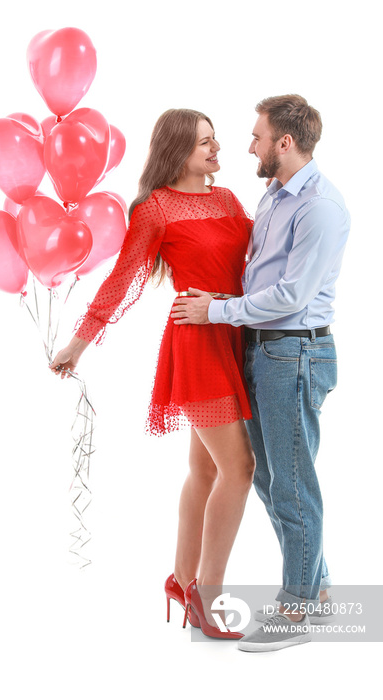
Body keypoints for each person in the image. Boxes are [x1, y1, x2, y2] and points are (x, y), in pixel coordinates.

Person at [50, 109, 256, 639]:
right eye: (203, 143)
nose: (215, 150)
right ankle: (206, 595)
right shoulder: (156, 208)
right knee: (241, 468)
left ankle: (180, 579)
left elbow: (255, 264)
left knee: (208, 470)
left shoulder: (228, 199)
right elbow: (124, 279)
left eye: (215, 140)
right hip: (198, 343)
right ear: (177, 150)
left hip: (235, 332)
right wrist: (79, 341)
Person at [171, 94, 350, 652]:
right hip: (262, 351)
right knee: (271, 480)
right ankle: (315, 589)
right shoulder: (274, 194)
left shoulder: (320, 205)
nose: (247, 144)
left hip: (294, 354)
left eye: (256, 135)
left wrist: (217, 309)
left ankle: (299, 609)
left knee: (292, 485)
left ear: (285, 143)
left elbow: (292, 295)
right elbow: (254, 274)